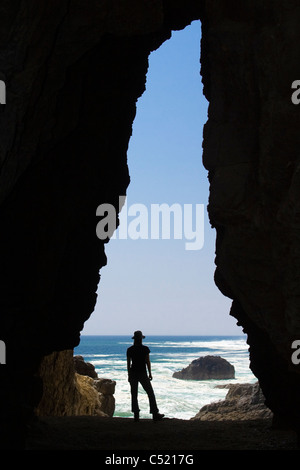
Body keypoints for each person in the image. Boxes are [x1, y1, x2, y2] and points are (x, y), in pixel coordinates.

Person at [127, 330, 164, 422]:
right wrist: (150, 373)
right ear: (141, 339)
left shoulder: (130, 349)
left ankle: (136, 415)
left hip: (133, 373)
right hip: (143, 373)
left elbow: (128, 364)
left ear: (134, 339)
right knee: (150, 393)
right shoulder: (145, 349)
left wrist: (129, 375)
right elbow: (147, 362)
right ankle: (155, 414)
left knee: (134, 394)